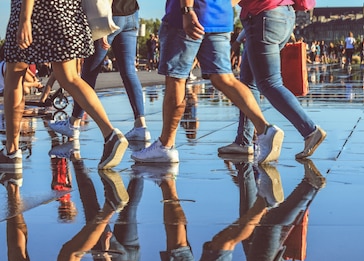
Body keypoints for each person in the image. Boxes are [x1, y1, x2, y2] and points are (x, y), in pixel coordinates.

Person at [131, 0, 282, 164]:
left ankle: (165, 145)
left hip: (186, 17)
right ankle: (264, 129)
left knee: (176, 79)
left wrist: (187, 10)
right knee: (225, 78)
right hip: (220, 18)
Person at [2, 0, 128, 171]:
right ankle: (110, 133)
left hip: (33, 11)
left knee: (14, 76)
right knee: (70, 78)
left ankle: (12, 151)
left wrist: (25, 18)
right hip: (65, 11)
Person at [47, 0, 152, 159]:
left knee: (89, 73)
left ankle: (73, 123)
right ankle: (141, 126)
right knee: (129, 70)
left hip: (110, 15)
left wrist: (103, 27)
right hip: (132, 13)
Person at [224, 2, 327, 162]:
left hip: (263, 17)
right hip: (284, 15)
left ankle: (310, 130)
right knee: (248, 83)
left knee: (269, 83)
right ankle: (243, 141)